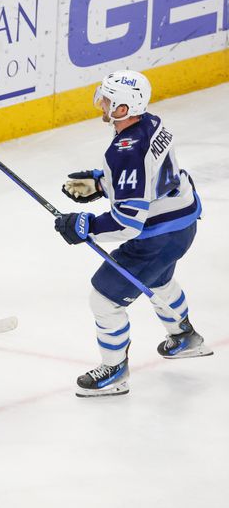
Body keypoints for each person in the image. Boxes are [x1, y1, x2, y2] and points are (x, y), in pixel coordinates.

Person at [54, 69, 211, 398]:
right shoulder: (151, 122)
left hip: (159, 235)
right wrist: (102, 183)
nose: (102, 104)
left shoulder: (125, 150)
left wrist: (86, 227)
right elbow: (148, 174)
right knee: (159, 281)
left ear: (124, 109)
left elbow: (128, 222)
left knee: (104, 298)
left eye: (109, 100)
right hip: (182, 224)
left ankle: (114, 372)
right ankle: (184, 338)